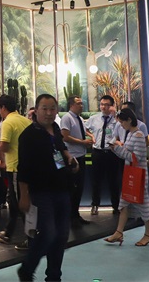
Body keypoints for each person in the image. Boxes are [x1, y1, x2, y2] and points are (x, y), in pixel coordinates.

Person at [17, 94, 77, 281]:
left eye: (52, 109)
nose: (49, 113)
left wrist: (69, 157)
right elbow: (23, 168)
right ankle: (27, 269)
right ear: (36, 110)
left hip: (62, 188)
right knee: (48, 233)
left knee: (62, 236)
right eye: (44, 109)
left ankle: (54, 276)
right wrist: (24, 195)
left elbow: (61, 147)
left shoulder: (56, 128)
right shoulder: (28, 136)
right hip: (40, 191)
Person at [104, 108, 149, 247]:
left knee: (143, 206)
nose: (121, 125)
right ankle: (118, 232)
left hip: (138, 176)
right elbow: (128, 155)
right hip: (131, 174)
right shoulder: (131, 134)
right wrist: (117, 149)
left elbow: (136, 158)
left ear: (129, 120)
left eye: (122, 122)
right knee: (123, 204)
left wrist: (117, 149)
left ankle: (148, 234)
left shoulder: (138, 135)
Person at [0, 94, 31, 249]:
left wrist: (2, 158)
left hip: (15, 167)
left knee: (20, 203)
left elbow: (4, 145)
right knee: (14, 202)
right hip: (26, 166)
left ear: (3, 107)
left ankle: (31, 238)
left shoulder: (8, 122)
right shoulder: (25, 120)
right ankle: (8, 233)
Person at [59, 95, 93, 226]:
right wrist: (82, 142)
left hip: (81, 155)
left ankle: (76, 214)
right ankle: (70, 216)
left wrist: (88, 140)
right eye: (78, 103)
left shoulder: (79, 119)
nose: (81, 106)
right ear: (71, 105)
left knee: (79, 188)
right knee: (72, 188)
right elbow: (65, 137)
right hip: (72, 158)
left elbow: (83, 133)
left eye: (82, 103)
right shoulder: (67, 118)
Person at [87, 94, 120, 216]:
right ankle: (95, 205)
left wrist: (115, 116)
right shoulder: (94, 118)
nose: (103, 107)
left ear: (112, 106)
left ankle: (116, 206)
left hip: (112, 153)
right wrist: (91, 136)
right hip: (97, 152)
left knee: (114, 181)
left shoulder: (116, 120)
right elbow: (85, 128)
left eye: (106, 105)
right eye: (101, 104)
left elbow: (122, 130)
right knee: (96, 180)